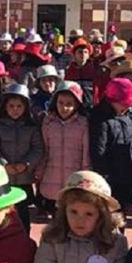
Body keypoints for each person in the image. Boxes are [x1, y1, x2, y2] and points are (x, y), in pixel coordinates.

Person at [0, 83, 43, 232]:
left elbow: (37, 148)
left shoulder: (31, 126)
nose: (15, 110)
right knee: (3, 212)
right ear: (5, 106)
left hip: (24, 177)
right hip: (4, 177)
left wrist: (26, 164)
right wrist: (4, 165)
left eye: (19, 106)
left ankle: (24, 238)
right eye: (11, 106)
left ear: (26, 108)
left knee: (23, 212)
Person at [35, 81, 90, 215]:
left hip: (74, 177)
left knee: (72, 214)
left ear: (77, 104)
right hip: (51, 177)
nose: (64, 108)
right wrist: (39, 172)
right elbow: (44, 150)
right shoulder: (48, 122)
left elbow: (86, 152)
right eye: (60, 103)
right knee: (56, 218)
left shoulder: (83, 124)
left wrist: (86, 175)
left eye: (69, 104)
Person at [93, 78, 132, 211]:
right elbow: (98, 151)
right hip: (110, 176)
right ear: (111, 100)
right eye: (123, 103)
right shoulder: (100, 120)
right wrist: (103, 175)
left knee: (121, 213)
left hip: (125, 173)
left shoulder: (126, 118)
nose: (127, 106)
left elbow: (130, 144)